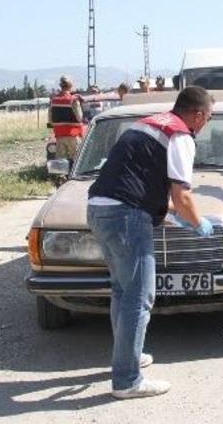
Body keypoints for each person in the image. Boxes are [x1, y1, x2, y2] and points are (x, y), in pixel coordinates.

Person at [87, 86, 215, 399]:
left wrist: (175, 212)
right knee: (140, 296)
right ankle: (128, 380)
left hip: (98, 210)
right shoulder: (180, 135)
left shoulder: (148, 123)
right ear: (197, 114)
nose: (205, 124)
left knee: (122, 289)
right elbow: (182, 195)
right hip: (126, 217)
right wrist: (199, 223)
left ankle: (128, 355)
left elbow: (142, 183)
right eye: (208, 118)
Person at [48, 75, 84, 166]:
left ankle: (61, 177)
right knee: (75, 159)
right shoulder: (73, 100)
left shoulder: (54, 100)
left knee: (60, 159)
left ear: (61, 86)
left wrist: (53, 128)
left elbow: (50, 120)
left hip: (59, 134)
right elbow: (79, 118)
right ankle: (73, 177)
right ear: (70, 86)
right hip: (73, 134)